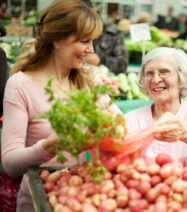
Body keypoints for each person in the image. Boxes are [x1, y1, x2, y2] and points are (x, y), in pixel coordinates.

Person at [1, 0, 120, 211]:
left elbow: (120, 126)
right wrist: (49, 146)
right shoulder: (20, 85)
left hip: (83, 199)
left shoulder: (88, 80)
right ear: (57, 40)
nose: (91, 50)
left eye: (93, 41)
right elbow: (10, 164)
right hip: (40, 201)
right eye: (84, 41)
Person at [125, 47, 187, 160]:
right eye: (149, 73)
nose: (155, 80)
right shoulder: (132, 120)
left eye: (164, 72)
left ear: (181, 77)